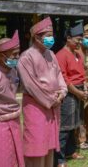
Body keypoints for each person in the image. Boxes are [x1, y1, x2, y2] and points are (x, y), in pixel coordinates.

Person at [17, 17, 67, 167]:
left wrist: (62, 92)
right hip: (36, 107)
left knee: (49, 144)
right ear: (37, 37)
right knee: (36, 144)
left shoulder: (51, 54)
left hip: (53, 106)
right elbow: (31, 85)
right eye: (48, 35)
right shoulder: (26, 57)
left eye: (52, 35)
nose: (51, 39)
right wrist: (52, 100)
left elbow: (59, 75)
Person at [55, 23, 86, 166]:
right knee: (65, 126)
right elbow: (63, 78)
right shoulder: (61, 55)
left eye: (81, 39)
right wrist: (78, 92)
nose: (80, 42)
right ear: (68, 38)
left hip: (79, 91)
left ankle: (70, 151)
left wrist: (84, 88)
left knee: (74, 124)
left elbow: (82, 74)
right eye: (78, 39)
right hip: (69, 92)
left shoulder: (79, 54)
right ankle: (60, 158)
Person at [0, 31, 24, 167]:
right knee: (2, 160)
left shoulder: (14, 71)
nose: (17, 57)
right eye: (14, 55)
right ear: (1, 56)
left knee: (16, 158)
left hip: (15, 122)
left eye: (18, 53)